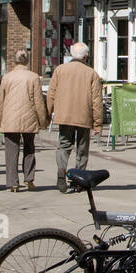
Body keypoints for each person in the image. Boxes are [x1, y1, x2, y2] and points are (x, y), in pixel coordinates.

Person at [46, 41, 103, 193]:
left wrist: (47, 115)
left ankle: (61, 170)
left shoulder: (59, 70)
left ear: (72, 54)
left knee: (64, 145)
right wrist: (98, 123)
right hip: (84, 116)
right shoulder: (92, 73)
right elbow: (97, 101)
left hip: (64, 115)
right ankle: (79, 180)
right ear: (86, 56)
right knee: (82, 149)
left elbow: (51, 94)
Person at [0, 50, 49, 192]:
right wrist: (43, 120)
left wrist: (1, 119)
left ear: (15, 61)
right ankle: (29, 179)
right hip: (29, 117)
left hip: (10, 117)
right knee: (29, 148)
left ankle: (12, 182)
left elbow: (1, 100)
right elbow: (38, 101)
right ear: (27, 61)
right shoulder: (33, 77)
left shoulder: (6, 77)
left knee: (11, 150)